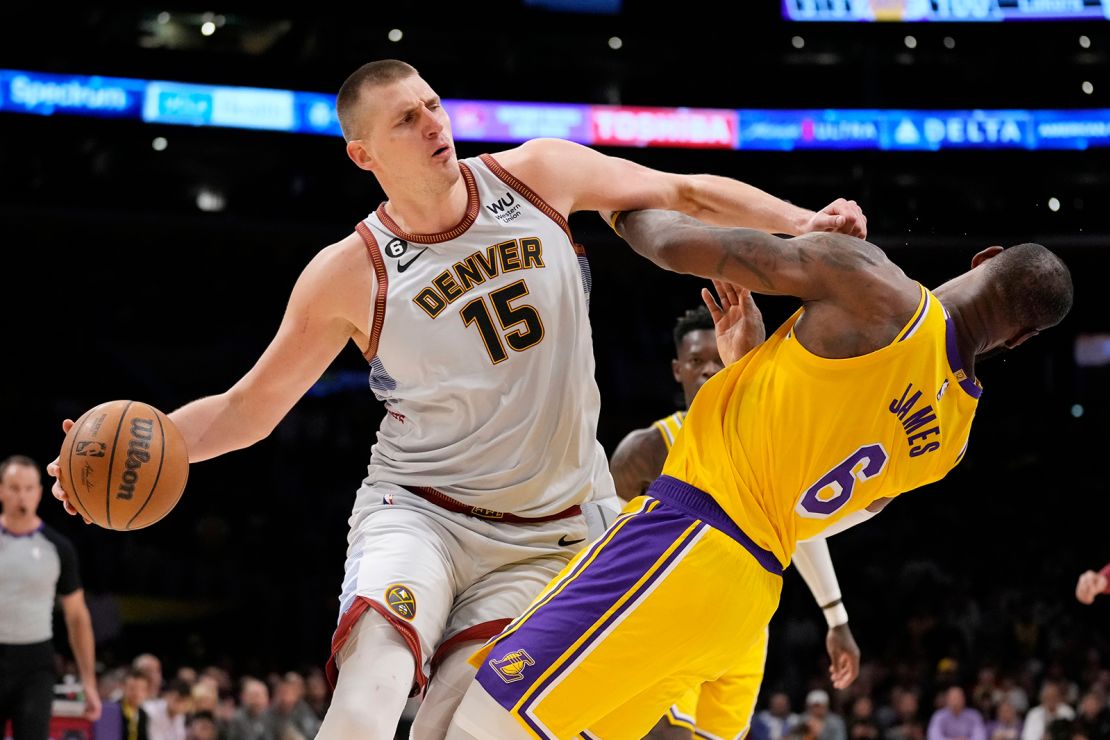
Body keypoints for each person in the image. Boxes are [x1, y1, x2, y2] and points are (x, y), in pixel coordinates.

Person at [49, 58, 866, 739]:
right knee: (370, 693)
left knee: (452, 725)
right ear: (362, 154)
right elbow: (245, 410)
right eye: (405, 119)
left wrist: (804, 221)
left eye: (432, 105)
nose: (433, 123)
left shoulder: (537, 173)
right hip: (423, 512)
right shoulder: (350, 270)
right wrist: (122, 453)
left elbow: (682, 191)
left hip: (549, 535)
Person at [449, 209, 1073, 738]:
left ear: (982, 258)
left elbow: (675, 244)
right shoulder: (952, 439)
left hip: (685, 540)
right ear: (1018, 339)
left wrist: (609, 199)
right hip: (748, 600)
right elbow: (813, 505)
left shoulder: (876, 286)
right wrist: (747, 365)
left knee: (480, 717)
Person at [611, 304, 861, 739]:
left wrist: (836, 616)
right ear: (677, 369)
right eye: (696, 361)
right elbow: (609, 550)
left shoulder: (765, 441)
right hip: (673, 619)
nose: (709, 370)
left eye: (717, 359)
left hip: (744, 625)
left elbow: (796, 528)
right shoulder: (646, 450)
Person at [0, 455, 101, 738]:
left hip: (35, 664)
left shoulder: (58, 548)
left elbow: (78, 617)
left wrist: (89, 682)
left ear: (40, 492)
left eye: (29, 488)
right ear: (0, 490)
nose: (22, 495)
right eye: (14, 487)